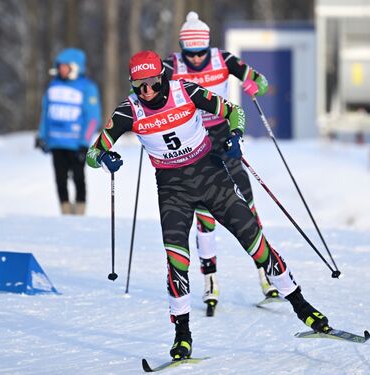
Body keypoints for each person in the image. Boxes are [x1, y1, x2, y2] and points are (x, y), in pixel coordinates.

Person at [86, 50, 330, 360]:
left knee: (254, 241)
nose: (147, 92)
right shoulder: (128, 112)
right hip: (173, 189)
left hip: (211, 176)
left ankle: (302, 307)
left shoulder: (185, 90)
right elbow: (92, 155)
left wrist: (235, 135)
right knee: (177, 261)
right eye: (139, 86)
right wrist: (105, 157)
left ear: (163, 77)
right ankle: (182, 335)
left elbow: (234, 112)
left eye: (152, 83)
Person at [162, 11, 275, 310]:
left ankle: (266, 273)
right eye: (191, 53)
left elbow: (261, 82)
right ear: (182, 47)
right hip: (194, 143)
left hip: (225, 136)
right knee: (205, 214)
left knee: (247, 205)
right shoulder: (171, 65)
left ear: (208, 46)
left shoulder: (223, 60)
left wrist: (254, 86)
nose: (196, 59)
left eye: (201, 52)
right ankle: (210, 279)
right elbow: (146, 92)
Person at [36, 48, 101, 215]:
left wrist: (84, 143)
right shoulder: (53, 86)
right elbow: (46, 113)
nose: (61, 69)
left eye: (65, 66)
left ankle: (79, 211)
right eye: (59, 66)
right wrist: (42, 136)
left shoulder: (87, 88)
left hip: (76, 144)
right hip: (57, 143)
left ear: (75, 67)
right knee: (60, 179)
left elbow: (93, 118)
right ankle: (65, 210)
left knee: (79, 178)